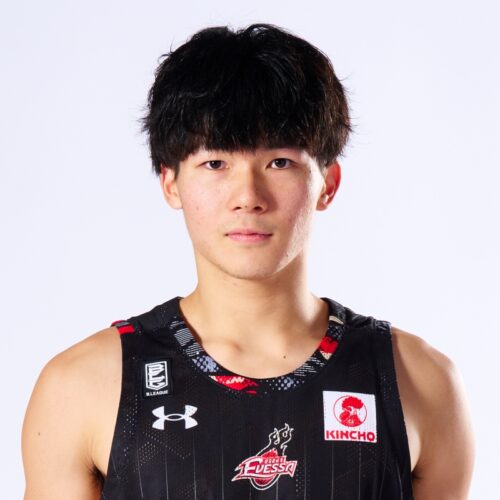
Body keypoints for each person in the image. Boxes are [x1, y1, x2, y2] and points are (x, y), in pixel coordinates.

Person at [22, 23, 475, 499]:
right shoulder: (82, 387)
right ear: (171, 183)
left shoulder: (420, 382)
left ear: (327, 183)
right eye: (215, 163)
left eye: (279, 162)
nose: (248, 197)